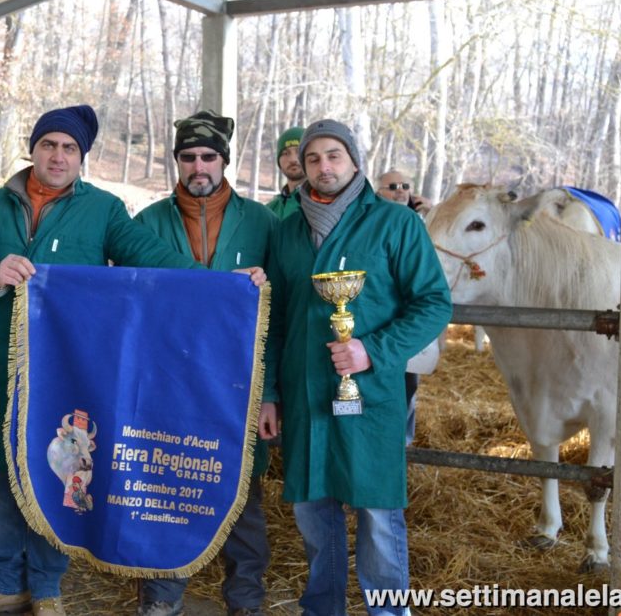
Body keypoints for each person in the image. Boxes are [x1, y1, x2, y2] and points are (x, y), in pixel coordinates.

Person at [0, 105, 268, 616]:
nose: (58, 156)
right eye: (49, 145)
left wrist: (223, 287)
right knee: (4, 473)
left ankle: (49, 589)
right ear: (32, 149)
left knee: (57, 470)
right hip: (5, 370)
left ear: (82, 158)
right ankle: (6, 581)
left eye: (69, 149)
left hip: (67, 372)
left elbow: (149, 256)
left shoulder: (103, 209)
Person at [259, 120, 451, 616]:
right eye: (314, 158)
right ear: (301, 166)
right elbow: (276, 319)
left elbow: (433, 304)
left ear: (354, 160)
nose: (324, 167)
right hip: (305, 394)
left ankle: (387, 611)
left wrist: (374, 350)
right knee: (313, 513)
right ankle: (323, 609)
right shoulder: (286, 232)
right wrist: (271, 393)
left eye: (334, 156)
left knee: (379, 517)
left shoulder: (396, 223)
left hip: (369, 393)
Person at [133, 110, 278, 616]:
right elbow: (131, 300)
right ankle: (163, 590)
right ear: (176, 161)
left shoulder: (262, 222)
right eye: (188, 156)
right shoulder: (148, 222)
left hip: (240, 380)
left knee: (243, 493)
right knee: (167, 486)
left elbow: (279, 313)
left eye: (208, 157)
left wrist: (271, 393)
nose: (199, 166)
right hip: (168, 380)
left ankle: (245, 597)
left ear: (225, 161)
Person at [375, 168, 432, 446]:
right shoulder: (370, 223)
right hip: (377, 321)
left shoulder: (421, 221)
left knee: (409, 383)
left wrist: (431, 215)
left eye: (405, 185)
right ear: (378, 192)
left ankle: (402, 443)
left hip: (410, 323)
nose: (399, 190)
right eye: (392, 186)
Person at [265, 126, 305, 219]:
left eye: (299, 152)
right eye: (286, 153)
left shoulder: (322, 205)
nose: (293, 159)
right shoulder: (270, 210)